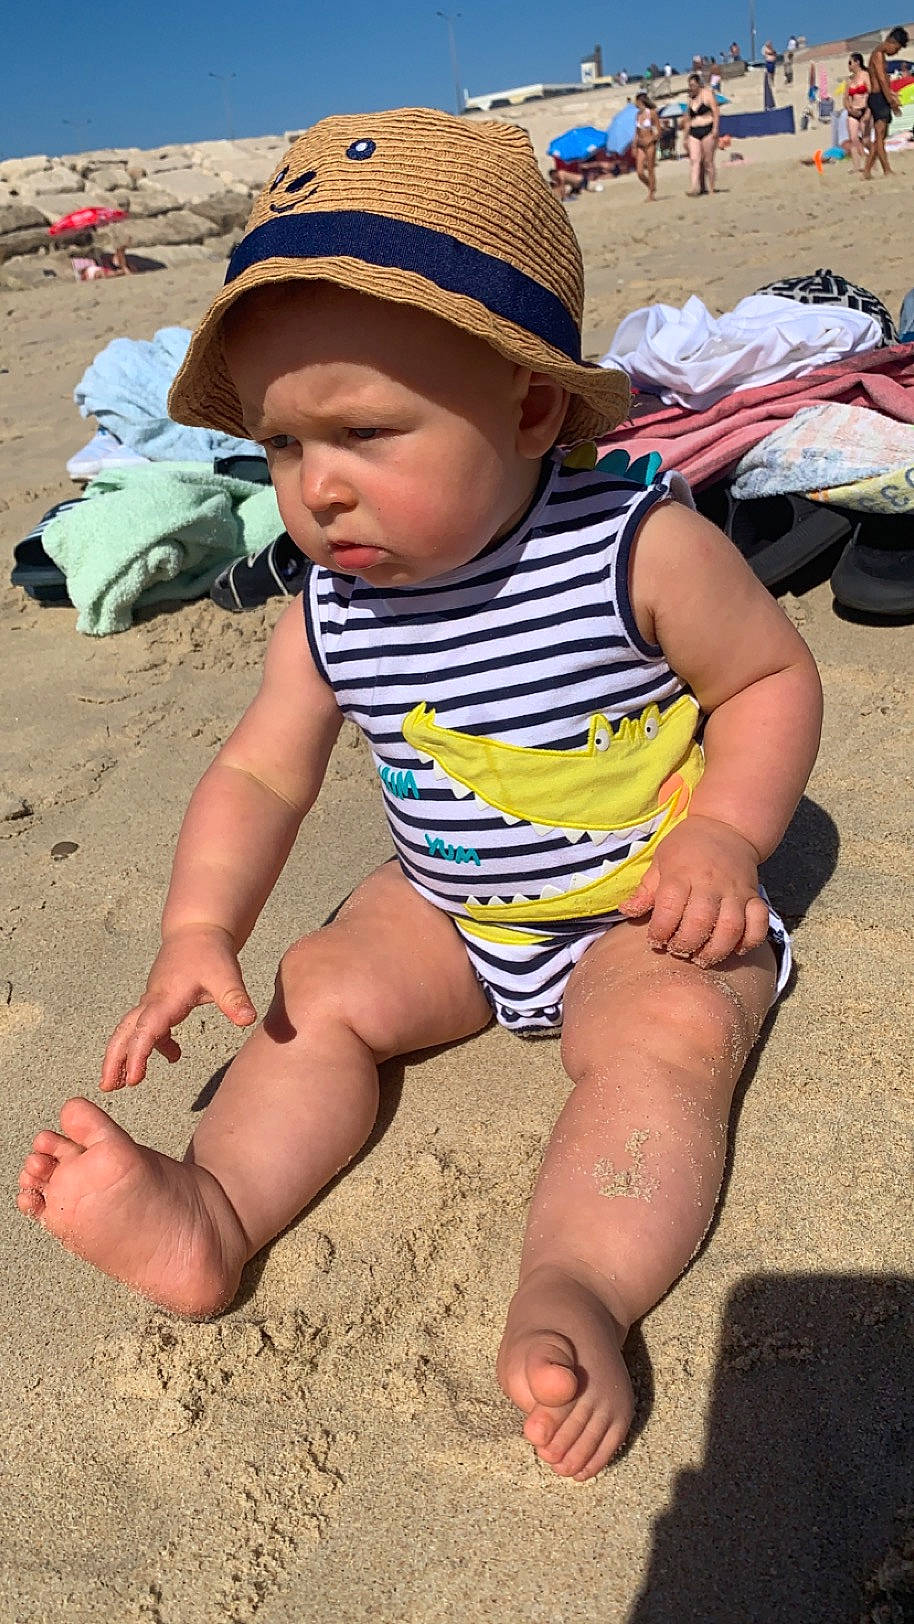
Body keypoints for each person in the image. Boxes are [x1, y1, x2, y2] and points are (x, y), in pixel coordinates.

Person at [17, 108, 822, 1484]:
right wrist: (197, 928)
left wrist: (726, 836)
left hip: (636, 903)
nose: (316, 489)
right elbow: (264, 769)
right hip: (451, 903)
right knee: (320, 985)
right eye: (279, 446)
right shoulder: (328, 608)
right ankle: (215, 1208)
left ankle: (577, 1283)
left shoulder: (634, 548)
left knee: (667, 1040)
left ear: (522, 405)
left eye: (363, 432)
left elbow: (767, 683)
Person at [863, 25, 908, 177]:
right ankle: (886, 170)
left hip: (880, 97)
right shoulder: (878, 55)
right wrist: (891, 101)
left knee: (881, 136)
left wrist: (891, 95)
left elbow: (883, 80)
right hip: (878, 98)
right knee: (880, 136)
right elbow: (882, 80)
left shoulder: (879, 54)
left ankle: (867, 171)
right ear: (891, 42)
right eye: (897, 48)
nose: (896, 52)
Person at [683, 72, 720, 194]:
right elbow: (687, 119)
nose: (691, 88)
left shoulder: (707, 94)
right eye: (690, 85)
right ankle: (695, 187)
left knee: (708, 161)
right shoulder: (689, 99)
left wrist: (715, 128)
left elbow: (715, 112)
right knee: (694, 160)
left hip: (707, 129)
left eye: (693, 85)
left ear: (699, 84)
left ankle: (712, 187)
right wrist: (685, 137)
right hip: (694, 131)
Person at [844, 51, 872, 172]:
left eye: (850, 62)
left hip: (864, 108)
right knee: (853, 139)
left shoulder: (865, 75)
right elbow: (845, 98)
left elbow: (871, 94)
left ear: (857, 62)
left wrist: (869, 111)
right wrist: (849, 108)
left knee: (865, 140)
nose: (849, 66)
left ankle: (873, 162)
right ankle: (856, 166)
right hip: (853, 111)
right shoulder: (849, 80)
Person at [633, 91, 661, 200]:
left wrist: (652, 139)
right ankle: (651, 186)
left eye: (636, 101)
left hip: (650, 144)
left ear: (640, 101)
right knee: (640, 172)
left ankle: (651, 194)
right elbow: (636, 132)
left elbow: (659, 131)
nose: (635, 104)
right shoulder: (637, 115)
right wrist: (634, 145)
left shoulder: (652, 113)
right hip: (640, 144)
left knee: (650, 169)